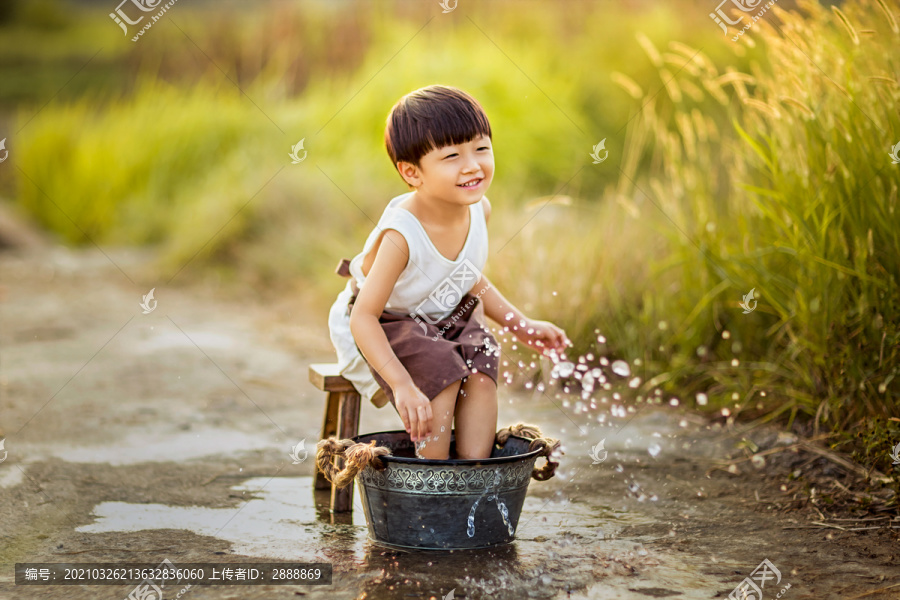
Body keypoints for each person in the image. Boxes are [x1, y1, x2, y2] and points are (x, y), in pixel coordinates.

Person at [328, 84, 570, 460]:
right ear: (412, 173)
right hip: (382, 322)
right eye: (452, 155)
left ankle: (474, 476)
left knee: (481, 362)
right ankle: (432, 479)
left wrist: (522, 324)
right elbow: (364, 317)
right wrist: (402, 384)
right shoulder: (402, 235)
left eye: (481, 148)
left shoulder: (479, 210)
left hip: (441, 313)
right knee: (440, 373)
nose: (472, 165)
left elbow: (467, 278)